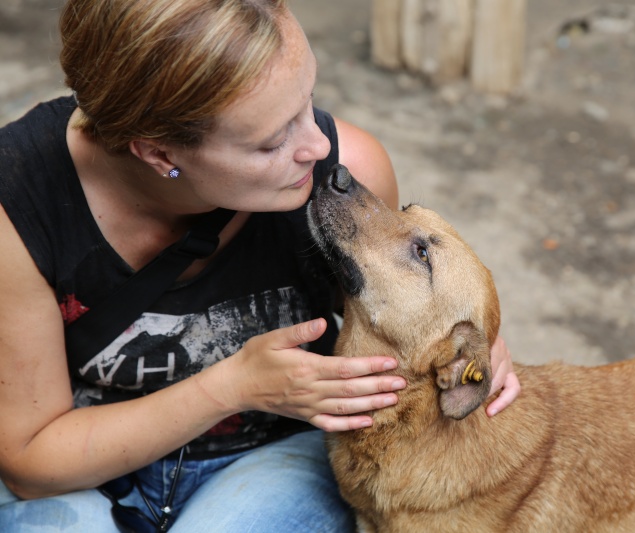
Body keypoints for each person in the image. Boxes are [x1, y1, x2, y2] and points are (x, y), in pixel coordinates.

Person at [0, 0, 520, 531]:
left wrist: (473, 347)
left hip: (272, 453)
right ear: (159, 155)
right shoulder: (17, 208)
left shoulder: (345, 170)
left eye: (309, 100)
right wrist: (231, 387)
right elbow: (30, 465)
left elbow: (413, 325)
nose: (318, 147)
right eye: (274, 141)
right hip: (84, 461)